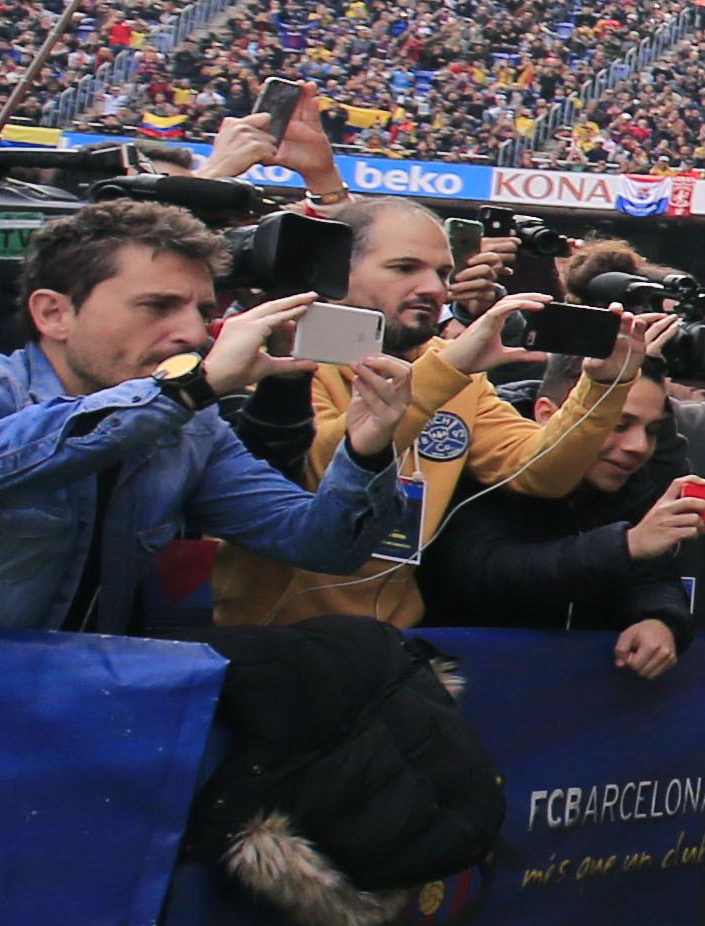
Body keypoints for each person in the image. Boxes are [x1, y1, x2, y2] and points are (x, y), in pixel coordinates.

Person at [0, 200, 404, 630]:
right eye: (157, 306)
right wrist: (186, 390)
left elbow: (320, 544)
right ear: (53, 313)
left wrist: (366, 451)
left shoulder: (192, 428)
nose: (192, 333)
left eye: (203, 311)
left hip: (79, 692)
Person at [212, 200, 650, 628]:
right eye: (404, 268)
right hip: (273, 634)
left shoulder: (452, 366)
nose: (434, 288)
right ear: (339, 269)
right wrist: (449, 369)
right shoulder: (285, 355)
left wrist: (603, 386)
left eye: (442, 272)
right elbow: (318, 477)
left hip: (393, 634)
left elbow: (541, 472)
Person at [417, 368, 705, 676]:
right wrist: (625, 545)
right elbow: (483, 572)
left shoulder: (633, 483)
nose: (638, 446)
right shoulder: (484, 470)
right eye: (617, 424)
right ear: (547, 415)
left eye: (651, 431)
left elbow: (653, 577)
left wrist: (660, 620)